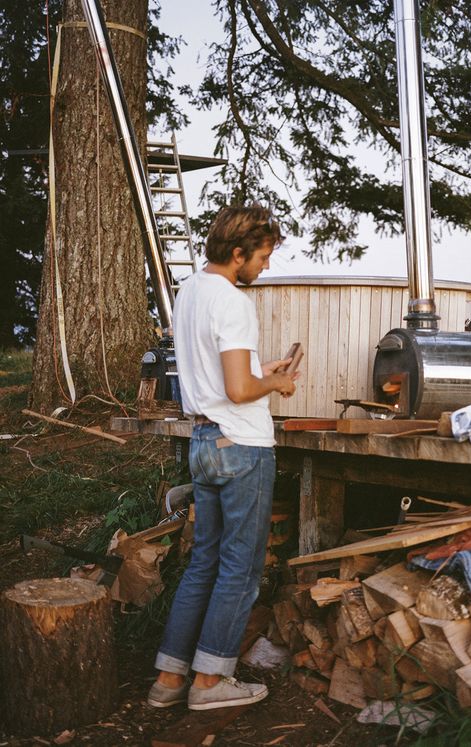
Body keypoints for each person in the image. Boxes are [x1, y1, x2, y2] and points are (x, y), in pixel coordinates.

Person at [147, 205, 297, 711]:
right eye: (264, 256)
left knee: (204, 562)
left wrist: (260, 367)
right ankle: (210, 683)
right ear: (238, 254)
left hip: (204, 442)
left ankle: (169, 679)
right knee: (240, 568)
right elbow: (238, 390)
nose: (267, 266)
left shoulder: (190, 291)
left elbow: (219, 374)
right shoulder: (234, 302)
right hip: (242, 444)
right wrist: (275, 381)